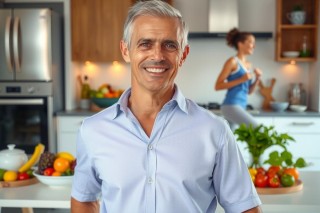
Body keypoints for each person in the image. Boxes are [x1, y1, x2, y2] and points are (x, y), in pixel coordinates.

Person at [71, 1, 262, 213]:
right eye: (145, 43)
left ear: (184, 54)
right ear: (125, 50)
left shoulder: (215, 131)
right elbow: (84, 199)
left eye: (170, 45)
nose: (158, 56)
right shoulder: (93, 130)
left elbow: (245, 208)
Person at [215, 28, 262, 131]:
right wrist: (241, 79)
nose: (254, 46)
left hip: (241, 106)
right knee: (258, 130)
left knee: (228, 141)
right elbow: (218, 86)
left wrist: (257, 78)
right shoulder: (232, 62)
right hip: (231, 105)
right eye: (251, 42)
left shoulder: (249, 65)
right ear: (240, 44)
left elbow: (249, 91)